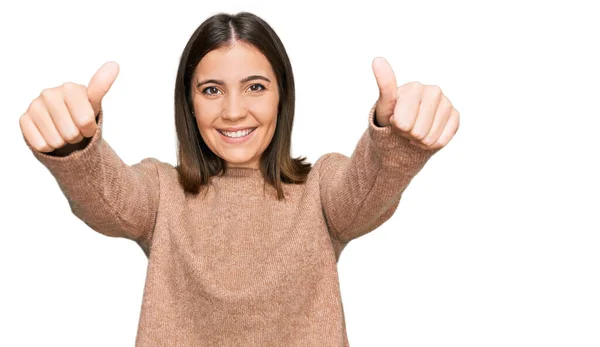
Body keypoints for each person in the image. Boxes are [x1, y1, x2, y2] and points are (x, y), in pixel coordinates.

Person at [19, 11, 459, 347]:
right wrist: (71, 144)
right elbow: (103, 196)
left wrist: (398, 140)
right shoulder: (161, 193)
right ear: (189, 103)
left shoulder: (321, 190)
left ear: (281, 96)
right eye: (211, 89)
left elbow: (367, 189)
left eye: (255, 87)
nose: (233, 111)